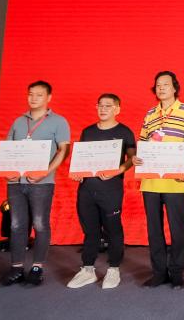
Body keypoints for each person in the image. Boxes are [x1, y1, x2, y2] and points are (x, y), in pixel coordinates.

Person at [0, 80, 71, 287]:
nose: (33, 98)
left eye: (39, 95)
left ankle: (37, 267)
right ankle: (16, 268)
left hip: (42, 182)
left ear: (49, 98)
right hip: (16, 182)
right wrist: (7, 172)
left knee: (40, 224)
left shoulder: (59, 121)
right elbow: (8, 150)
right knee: (16, 224)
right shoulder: (18, 121)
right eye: (30, 94)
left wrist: (45, 172)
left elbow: (63, 150)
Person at [135, 70, 184, 289]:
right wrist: (136, 158)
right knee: (154, 230)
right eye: (158, 85)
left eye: (165, 84)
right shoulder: (150, 114)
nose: (161, 88)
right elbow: (143, 144)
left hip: (175, 181)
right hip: (150, 181)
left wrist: (183, 166)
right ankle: (159, 273)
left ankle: (177, 272)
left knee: (177, 230)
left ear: (175, 87)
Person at [67, 94, 136, 289]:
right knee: (90, 231)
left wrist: (119, 170)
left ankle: (113, 269)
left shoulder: (124, 132)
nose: (103, 109)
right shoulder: (88, 131)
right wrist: (77, 173)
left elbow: (132, 158)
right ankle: (88, 269)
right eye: (100, 105)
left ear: (117, 109)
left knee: (113, 230)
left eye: (108, 106)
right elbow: (81, 159)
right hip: (87, 189)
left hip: (110, 190)